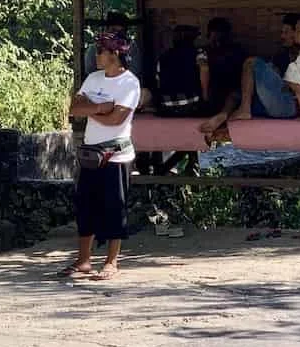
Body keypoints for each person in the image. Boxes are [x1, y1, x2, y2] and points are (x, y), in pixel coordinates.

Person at [65, 32, 141, 282]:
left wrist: (90, 110)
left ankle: (111, 261)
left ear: (115, 55)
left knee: (114, 207)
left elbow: (117, 119)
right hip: (91, 153)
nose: (96, 56)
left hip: (115, 154)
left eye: (101, 52)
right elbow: (74, 109)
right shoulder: (93, 77)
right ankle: (84, 260)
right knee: (85, 205)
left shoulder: (129, 83)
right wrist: (100, 108)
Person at [231, 12, 300, 121]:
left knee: (250, 62)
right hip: (285, 102)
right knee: (237, 97)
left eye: (299, 31)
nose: (295, 35)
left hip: (288, 101)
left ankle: (245, 110)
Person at [198, 17, 248, 133]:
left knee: (234, 94)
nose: (217, 42)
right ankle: (223, 114)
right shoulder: (204, 52)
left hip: (223, 94)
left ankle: (223, 114)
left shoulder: (237, 51)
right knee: (234, 95)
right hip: (221, 96)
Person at [154, 24, 204, 117]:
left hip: (166, 109)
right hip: (191, 107)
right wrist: (205, 99)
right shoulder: (199, 54)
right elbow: (204, 76)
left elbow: (158, 83)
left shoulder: (163, 56)